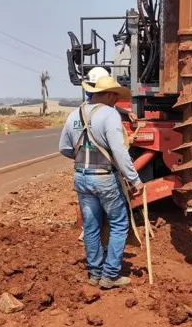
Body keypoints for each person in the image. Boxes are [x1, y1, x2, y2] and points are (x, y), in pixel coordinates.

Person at [59, 75, 144, 289]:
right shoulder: (109, 114)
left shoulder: (73, 115)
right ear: (107, 94)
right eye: (115, 96)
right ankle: (111, 275)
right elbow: (119, 150)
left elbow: (64, 148)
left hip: (81, 177)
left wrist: (85, 158)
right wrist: (135, 180)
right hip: (104, 178)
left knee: (91, 225)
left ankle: (95, 273)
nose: (117, 100)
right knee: (119, 223)